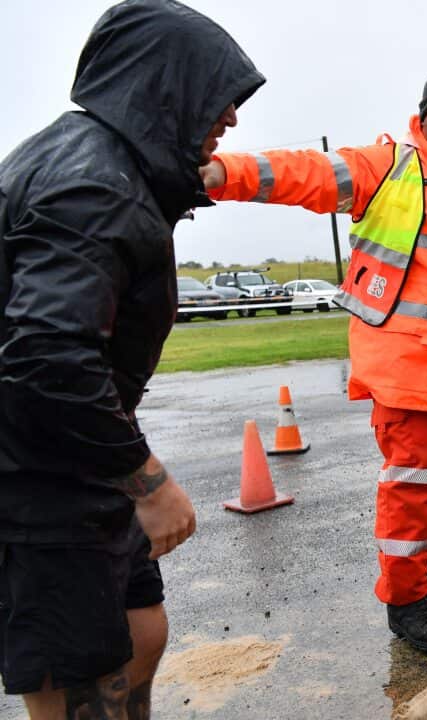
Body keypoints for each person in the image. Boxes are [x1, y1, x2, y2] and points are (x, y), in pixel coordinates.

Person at [0, 1, 262, 716]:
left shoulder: (106, 169)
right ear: (163, 88)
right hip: (40, 479)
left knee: (139, 629)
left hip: (76, 467)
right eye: (218, 94)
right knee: (83, 667)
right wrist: (146, 481)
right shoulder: (92, 186)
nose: (231, 117)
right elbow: (47, 353)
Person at [200, 73, 427, 654]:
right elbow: (305, 173)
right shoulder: (387, 165)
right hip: (406, 369)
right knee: (413, 486)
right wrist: (219, 174)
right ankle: (406, 600)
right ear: (425, 117)